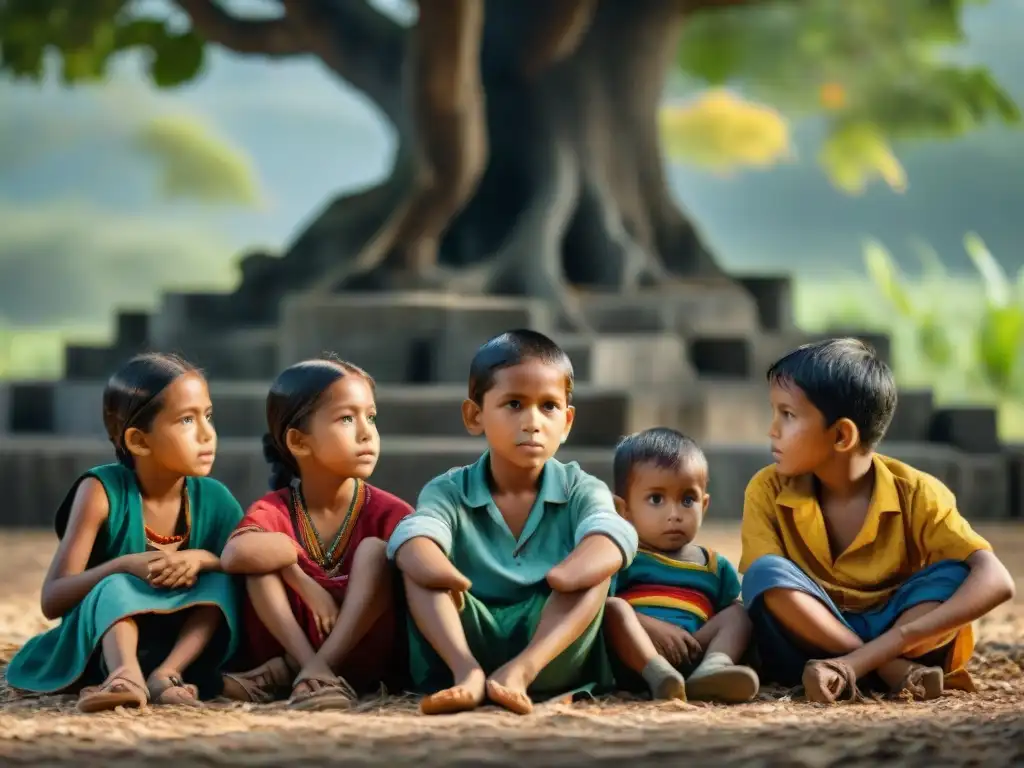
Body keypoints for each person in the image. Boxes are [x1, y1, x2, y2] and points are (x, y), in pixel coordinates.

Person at [740, 338, 1015, 703]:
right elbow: (769, 584)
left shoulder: (916, 491)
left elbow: (997, 580)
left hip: (901, 637)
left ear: (841, 436)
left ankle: (861, 664)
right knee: (765, 574)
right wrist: (883, 658)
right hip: (806, 641)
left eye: (787, 415)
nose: (772, 429)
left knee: (958, 575)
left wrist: (889, 644)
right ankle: (886, 672)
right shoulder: (767, 488)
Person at [387, 330, 638, 716]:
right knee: (417, 570)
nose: (533, 422)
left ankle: (519, 673)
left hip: (552, 647)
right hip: (468, 631)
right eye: (514, 404)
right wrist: (437, 570)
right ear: (475, 415)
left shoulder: (581, 488)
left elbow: (612, 533)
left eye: (549, 406)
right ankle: (465, 673)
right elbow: (415, 534)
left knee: (595, 573)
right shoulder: (449, 490)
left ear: (567, 421)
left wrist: (569, 577)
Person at [6, 353, 243, 712]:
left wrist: (203, 559)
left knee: (222, 580)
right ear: (139, 440)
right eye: (186, 420)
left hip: (179, 642)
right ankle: (124, 674)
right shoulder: (101, 492)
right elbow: (53, 599)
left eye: (207, 416)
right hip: (104, 637)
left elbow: (245, 570)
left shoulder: (216, 499)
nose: (207, 434)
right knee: (115, 585)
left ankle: (167, 675)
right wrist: (123, 566)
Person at [219, 358, 412, 710]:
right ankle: (308, 668)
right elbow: (234, 556)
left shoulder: (389, 511)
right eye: (346, 419)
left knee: (373, 552)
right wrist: (298, 576)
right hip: (293, 638)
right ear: (298, 441)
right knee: (261, 560)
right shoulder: (277, 508)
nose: (366, 432)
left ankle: (304, 671)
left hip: (365, 650)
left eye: (370, 417)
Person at [603, 428, 759, 703]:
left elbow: (731, 613)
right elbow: (600, 606)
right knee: (613, 608)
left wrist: (709, 643)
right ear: (623, 509)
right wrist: (651, 627)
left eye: (688, 500)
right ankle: (659, 675)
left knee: (739, 613)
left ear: (705, 504)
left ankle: (713, 669)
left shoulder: (714, 564)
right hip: (637, 655)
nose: (674, 515)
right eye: (656, 499)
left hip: (693, 650)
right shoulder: (623, 557)